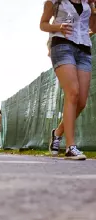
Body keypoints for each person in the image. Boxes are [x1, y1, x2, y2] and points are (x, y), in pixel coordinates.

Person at [40, 0, 96, 160]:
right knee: (73, 93)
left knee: (82, 102)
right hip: (62, 46)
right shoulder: (55, 2)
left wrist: (93, 7)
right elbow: (43, 24)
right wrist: (57, 27)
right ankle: (71, 147)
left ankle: (57, 133)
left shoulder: (88, 3)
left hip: (84, 49)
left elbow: (94, 28)